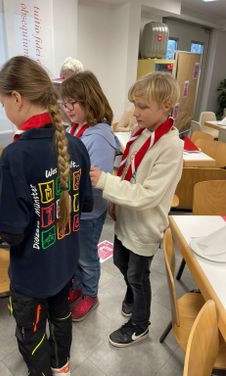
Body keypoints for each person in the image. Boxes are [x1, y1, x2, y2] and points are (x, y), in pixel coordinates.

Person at [0, 56, 93, 376]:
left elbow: (12, 232)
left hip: (32, 277)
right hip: (65, 265)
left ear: (17, 98)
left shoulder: (15, 155)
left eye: (3, 102)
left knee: (31, 335)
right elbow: (86, 205)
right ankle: (61, 368)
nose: (4, 109)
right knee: (61, 319)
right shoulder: (76, 145)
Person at [90, 72, 183, 347]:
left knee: (138, 277)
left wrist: (105, 182)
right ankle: (132, 296)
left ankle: (140, 325)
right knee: (121, 262)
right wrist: (116, 201)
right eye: (134, 104)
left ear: (166, 105)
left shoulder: (170, 147)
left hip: (145, 226)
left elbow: (148, 194)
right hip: (127, 219)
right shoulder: (141, 134)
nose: (135, 112)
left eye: (142, 106)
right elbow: (129, 174)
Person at [60, 71, 120, 321]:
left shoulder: (99, 136)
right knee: (75, 254)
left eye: (72, 102)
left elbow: (95, 180)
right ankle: (78, 287)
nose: (67, 109)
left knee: (86, 256)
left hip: (89, 211)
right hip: (74, 208)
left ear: (88, 99)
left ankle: (90, 294)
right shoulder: (77, 130)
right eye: (65, 104)